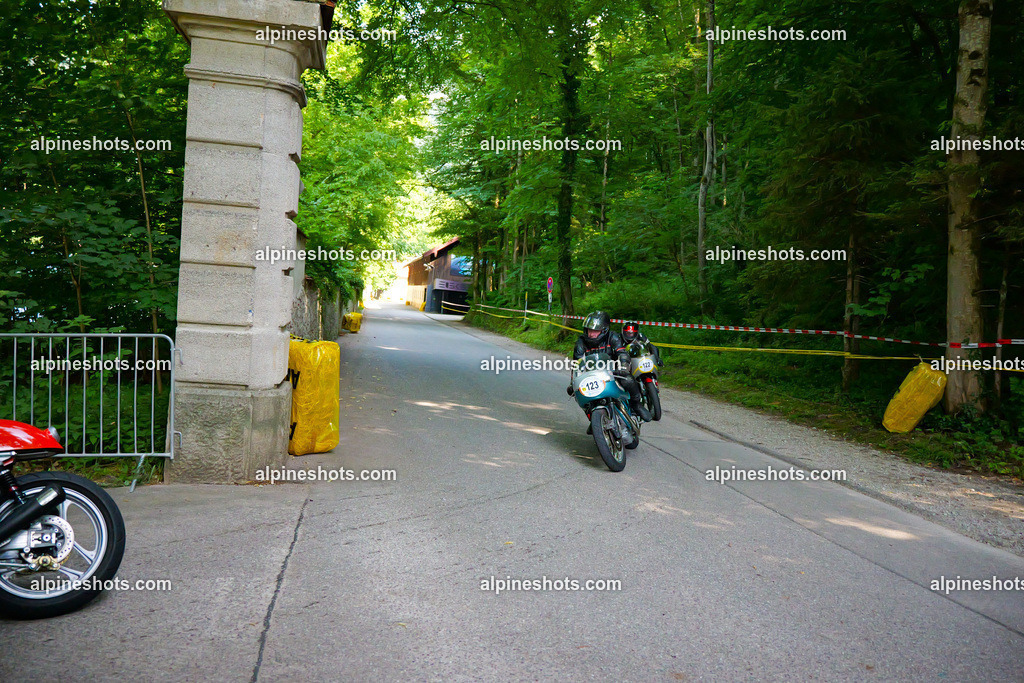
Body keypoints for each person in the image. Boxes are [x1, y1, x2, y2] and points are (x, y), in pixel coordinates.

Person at [568, 311, 653, 429]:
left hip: (613, 371)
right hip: (591, 374)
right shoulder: (581, 343)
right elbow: (576, 363)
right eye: (589, 330)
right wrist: (573, 381)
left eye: (595, 331)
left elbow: (622, 352)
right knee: (579, 393)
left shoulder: (613, 337)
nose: (591, 334)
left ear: (604, 330)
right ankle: (593, 417)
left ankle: (636, 405)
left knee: (628, 380)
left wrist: (623, 366)